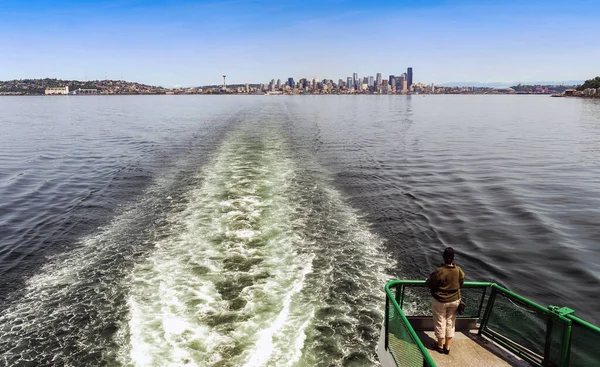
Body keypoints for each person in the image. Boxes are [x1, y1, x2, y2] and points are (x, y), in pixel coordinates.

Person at [425, 247, 465, 355]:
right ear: (453, 258)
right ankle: (447, 347)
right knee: (450, 322)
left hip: (440, 301)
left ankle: (440, 346)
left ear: (443, 258)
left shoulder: (440, 272)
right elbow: (461, 281)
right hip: (455, 300)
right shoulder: (458, 271)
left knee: (440, 322)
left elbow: (430, 283)